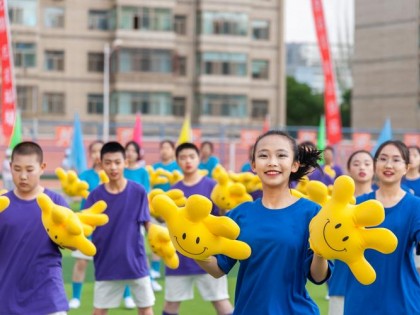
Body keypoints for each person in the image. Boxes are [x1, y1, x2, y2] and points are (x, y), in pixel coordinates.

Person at [195, 130, 332, 314]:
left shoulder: (313, 213)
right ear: (253, 165)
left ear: (294, 165)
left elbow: (318, 276)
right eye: (263, 155)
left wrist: (321, 252)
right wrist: (193, 248)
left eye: (281, 155)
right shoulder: (240, 215)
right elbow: (218, 269)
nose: (272, 162)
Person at [344, 140, 420, 315]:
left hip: (403, 302)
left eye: (396, 160)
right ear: (376, 164)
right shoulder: (357, 205)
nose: (388, 165)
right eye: (383, 158)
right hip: (360, 301)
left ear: (406, 168)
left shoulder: (415, 206)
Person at [163, 142, 234, 315]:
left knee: (221, 302)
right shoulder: (174, 190)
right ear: (177, 161)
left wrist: (225, 206)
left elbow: (222, 218)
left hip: (209, 257)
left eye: (191, 157)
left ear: (198, 159)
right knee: (170, 306)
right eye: (183, 157)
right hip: (180, 260)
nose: (187, 161)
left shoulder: (212, 186)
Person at [0, 141, 69, 314]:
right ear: (10, 167)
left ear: (42, 167)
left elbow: (73, 243)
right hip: (8, 296)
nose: (23, 176)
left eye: (29, 170)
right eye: (17, 169)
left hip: (49, 296)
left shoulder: (57, 203)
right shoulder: (2, 204)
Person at [86, 141, 155, 315]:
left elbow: (147, 223)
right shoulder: (95, 196)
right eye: (108, 163)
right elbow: (85, 226)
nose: (113, 167)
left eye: (117, 162)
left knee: (146, 309)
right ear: (101, 165)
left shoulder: (138, 191)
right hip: (106, 263)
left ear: (126, 162)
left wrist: (158, 239)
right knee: (99, 311)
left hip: (136, 262)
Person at [67, 140, 136, 309]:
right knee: (81, 263)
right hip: (88, 226)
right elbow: (76, 194)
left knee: (121, 261)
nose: (97, 154)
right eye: (94, 151)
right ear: (91, 155)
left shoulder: (116, 175)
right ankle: (76, 297)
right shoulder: (85, 175)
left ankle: (127, 296)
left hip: (112, 227)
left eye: (100, 151)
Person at [328, 149, 375, 315]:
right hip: (342, 284)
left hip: (377, 286)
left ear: (374, 169)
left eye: (367, 163)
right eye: (356, 163)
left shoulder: (383, 204)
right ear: (348, 169)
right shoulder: (336, 204)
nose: (362, 167)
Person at [124, 140, 161, 292]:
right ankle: (126, 291)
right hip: (122, 216)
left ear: (138, 154)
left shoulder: (142, 172)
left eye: (133, 150)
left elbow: (144, 193)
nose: (130, 153)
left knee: (139, 249)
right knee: (125, 251)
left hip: (137, 216)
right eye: (128, 150)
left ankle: (149, 279)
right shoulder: (120, 171)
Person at [150, 140, 181, 280]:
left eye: (167, 147)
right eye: (162, 147)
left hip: (173, 211)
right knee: (157, 239)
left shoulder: (177, 167)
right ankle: (155, 269)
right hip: (156, 212)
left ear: (173, 150)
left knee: (174, 241)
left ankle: (173, 267)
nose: (164, 150)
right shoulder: (155, 168)